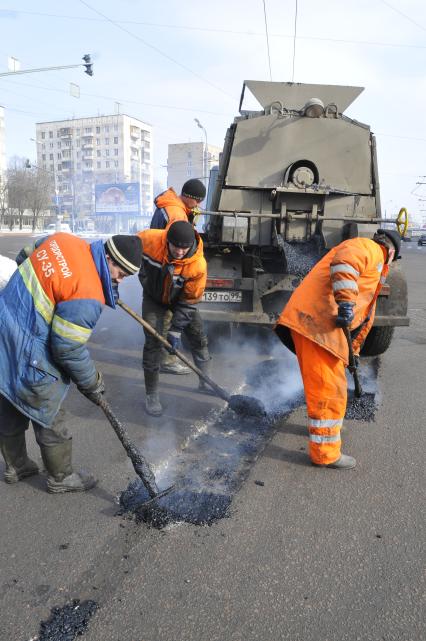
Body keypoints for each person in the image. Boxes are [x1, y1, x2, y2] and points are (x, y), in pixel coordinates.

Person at [0, 232, 142, 493]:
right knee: (48, 411)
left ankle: (16, 465)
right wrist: (93, 383)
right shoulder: (87, 294)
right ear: (109, 257)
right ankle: (61, 477)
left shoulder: (63, 241)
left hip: (4, 325)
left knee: (9, 398)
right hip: (30, 347)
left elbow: (25, 255)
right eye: (120, 273)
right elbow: (68, 348)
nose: (119, 279)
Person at [274, 229, 401, 469]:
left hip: (319, 326)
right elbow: (345, 263)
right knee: (328, 390)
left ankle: (327, 426)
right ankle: (325, 453)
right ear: (392, 252)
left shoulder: (373, 262)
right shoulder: (370, 249)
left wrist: (351, 351)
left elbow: (364, 320)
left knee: (331, 385)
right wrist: (345, 302)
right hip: (316, 325)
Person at [136, 220, 210, 417]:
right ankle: (151, 395)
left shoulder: (197, 265)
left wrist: (175, 330)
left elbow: (190, 301)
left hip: (182, 301)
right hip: (154, 299)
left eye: (184, 248)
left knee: (198, 337)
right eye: (175, 246)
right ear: (167, 241)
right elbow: (121, 252)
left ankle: (205, 380)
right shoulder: (149, 240)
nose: (179, 251)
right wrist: (112, 281)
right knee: (153, 343)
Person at [149, 179, 207, 375]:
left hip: (162, 269)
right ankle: (168, 360)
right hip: (170, 271)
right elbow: (178, 246)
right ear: (189, 197)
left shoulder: (170, 204)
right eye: (197, 202)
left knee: (168, 317)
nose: (198, 206)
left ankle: (168, 357)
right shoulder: (177, 214)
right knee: (168, 317)